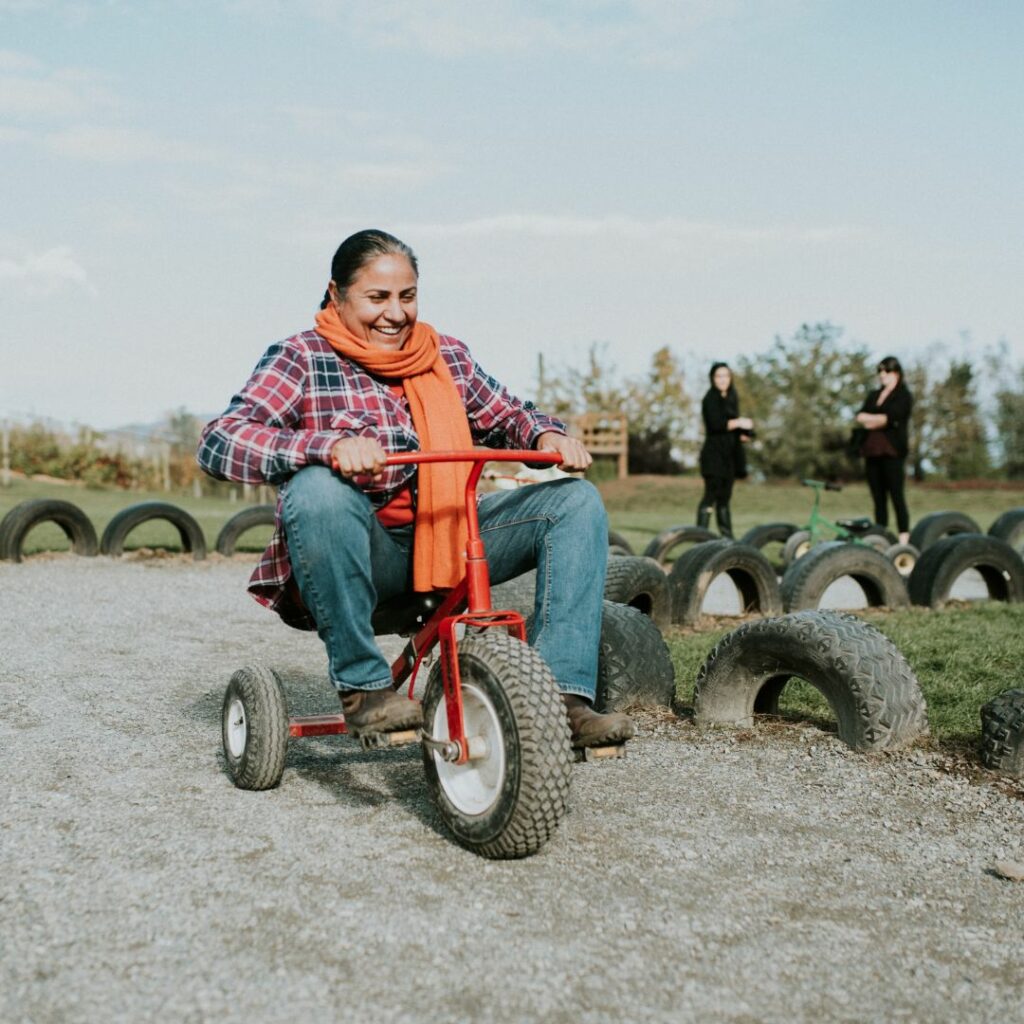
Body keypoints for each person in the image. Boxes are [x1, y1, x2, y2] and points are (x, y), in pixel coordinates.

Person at [197, 229, 633, 749]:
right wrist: (326, 447)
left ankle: (563, 700)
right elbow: (220, 442)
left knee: (575, 501)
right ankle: (364, 689)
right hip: (361, 556)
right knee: (317, 488)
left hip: (447, 541)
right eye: (377, 297)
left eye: (407, 296)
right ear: (336, 295)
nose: (395, 313)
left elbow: (509, 413)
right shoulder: (303, 356)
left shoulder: (443, 355)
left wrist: (544, 432)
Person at [855, 356, 913, 544]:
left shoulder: (903, 395)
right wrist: (878, 420)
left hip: (892, 452)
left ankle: (904, 539)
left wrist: (873, 420)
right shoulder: (874, 395)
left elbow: (891, 417)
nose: (882, 375)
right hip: (872, 452)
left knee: (896, 496)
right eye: (880, 371)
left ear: (896, 373)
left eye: (886, 371)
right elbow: (860, 416)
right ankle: (882, 537)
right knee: (878, 498)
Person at [696, 362, 753, 538]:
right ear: (713, 379)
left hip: (729, 458)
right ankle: (701, 537)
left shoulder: (731, 398)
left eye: (726, 376)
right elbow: (716, 424)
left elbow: (734, 427)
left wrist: (746, 432)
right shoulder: (709, 399)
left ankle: (728, 539)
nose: (722, 380)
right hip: (713, 457)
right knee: (710, 496)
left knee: (724, 499)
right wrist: (739, 422)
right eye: (719, 376)